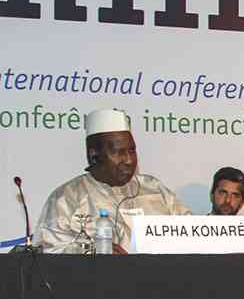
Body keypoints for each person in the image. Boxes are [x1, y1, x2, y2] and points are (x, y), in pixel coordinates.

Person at [34, 108, 191, 253]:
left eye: (132, 150)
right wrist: (92, 250)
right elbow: (47, 251)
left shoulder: (154, 189)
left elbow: (193, 233)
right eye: (119, 152)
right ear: (94, 155)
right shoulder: (67, 198)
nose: (129, 160)